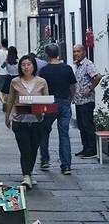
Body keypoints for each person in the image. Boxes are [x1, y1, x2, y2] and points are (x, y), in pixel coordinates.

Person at [5, 55, 49, 189]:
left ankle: (29, 173)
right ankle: (26, 176)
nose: (26, 67)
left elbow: (46, 101)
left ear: (33, 66)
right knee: (25, 149)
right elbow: (11, 100)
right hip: (20, 121)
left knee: (34, 148)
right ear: (20, 67)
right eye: (23, 65)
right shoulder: (15, 81)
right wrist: (7, 116)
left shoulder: (42, 82)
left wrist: (41, 110)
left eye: (29, 64)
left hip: (37, 121)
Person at [38, 43, 76, 174]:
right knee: (64, 134)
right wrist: (71, 98)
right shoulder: (67, 68)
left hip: (49, 102)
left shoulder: (44, 70)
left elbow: (41, 88)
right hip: (64, 102)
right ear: (58, 53)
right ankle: (66, 166)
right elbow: (72, 85)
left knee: (44, 131)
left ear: (47, 55)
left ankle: (45, 160)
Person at [73, 44, 103, 158]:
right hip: (79, 101)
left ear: (84, 52)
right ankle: (85, 148)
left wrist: (90, 88)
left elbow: (98, 76)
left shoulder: (87, 64)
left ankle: (92, 150)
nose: (76, 53)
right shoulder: (78, 65)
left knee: (87, 125)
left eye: (78, 51)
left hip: (86, 101)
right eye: (74, 51)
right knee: (81, 126)